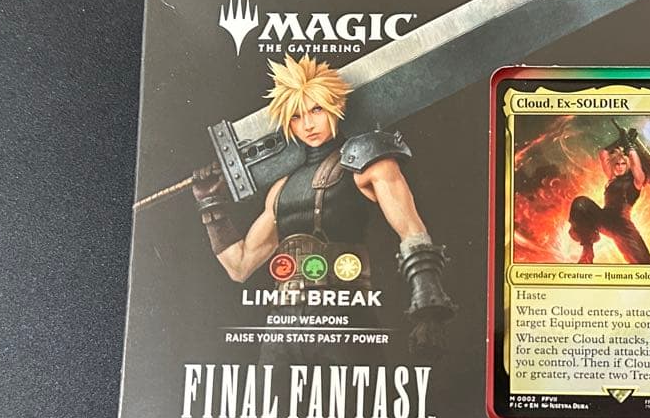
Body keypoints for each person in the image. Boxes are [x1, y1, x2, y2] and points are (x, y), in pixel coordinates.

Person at [191, 54, 454, 357]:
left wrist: (428, 306)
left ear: (336, 106)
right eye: (296, 116)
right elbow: (240, 265)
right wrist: (211, 206)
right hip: (282, 324)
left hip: (345, 315)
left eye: (316, 109)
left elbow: (411, 230)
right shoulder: (281, 188)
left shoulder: (369, 164)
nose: (307, 124)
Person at [567, 123, 650, 265]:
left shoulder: (637, 180)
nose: (620, 167)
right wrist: (620, 140)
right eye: (617, 164)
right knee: (581, 203)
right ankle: (587, 250)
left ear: (628, 165)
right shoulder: (612, 178)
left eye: (623, 164)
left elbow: (636, 165)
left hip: (623, 227)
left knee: (643, 262)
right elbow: (603, 153)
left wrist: (629, 145)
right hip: (604, 218)